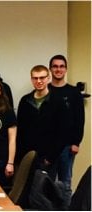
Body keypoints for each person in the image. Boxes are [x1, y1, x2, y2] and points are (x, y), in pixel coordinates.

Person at [48, 55, 85, 207]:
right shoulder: (45, 90)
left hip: (67, 147)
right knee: (46, 184)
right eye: (55, 66)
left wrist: (76, 142)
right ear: (50, 69)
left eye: (61, 66)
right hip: (48, 146)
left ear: (66, 69)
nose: (58, 69)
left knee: (65, 184)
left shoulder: (74, 92)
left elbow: (80, 119)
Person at [16, 65, 66, 175]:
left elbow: (62, 133)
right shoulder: (25, 101)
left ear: (48, 78)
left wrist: (50, 158)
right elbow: (20, 131)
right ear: (31, 80)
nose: (39, 81)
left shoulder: (58, 101)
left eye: (42, 78)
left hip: (48, 159)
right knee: (25, 190)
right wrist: (20, 157)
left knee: (44, 190)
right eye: (35, 78)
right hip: (27, 158)